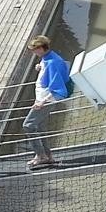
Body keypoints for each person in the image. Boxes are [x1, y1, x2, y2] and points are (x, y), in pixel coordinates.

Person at [23, 35, 71, 170]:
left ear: (41, 48)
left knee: (28, 125)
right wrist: (41, 67)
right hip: (41, 98)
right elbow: (50, 70)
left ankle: (40, 155)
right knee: (41, 127)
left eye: (34, 50)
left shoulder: (52, 62)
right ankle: (48, 156)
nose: (33, 53)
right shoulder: (48, 58)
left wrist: (42, 102)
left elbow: (57, 87)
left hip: (45, 101)